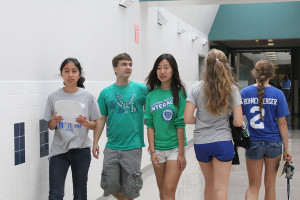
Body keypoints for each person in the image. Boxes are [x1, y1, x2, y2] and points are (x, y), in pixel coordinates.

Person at [184, 49, 243, 200]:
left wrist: (202, 120)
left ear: (206, 65)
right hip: (223, 142)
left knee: (209, 185)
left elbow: (187, 118)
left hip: (202, 143)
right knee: (221, 187)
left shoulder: (196, 88)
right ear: (225, 65)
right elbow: (238, 122)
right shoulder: (232, 89)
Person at [92, 53, 148, 200]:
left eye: (130, 64)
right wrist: (95, 142)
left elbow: (152, 111)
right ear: (115, 68)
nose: (128, 67)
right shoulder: (106, 93)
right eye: (124, 64)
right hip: (112, 146)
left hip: (133, 146)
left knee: (131, 188)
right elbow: (101, 119)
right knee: (109, 185)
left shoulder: (141, 89)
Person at [44, 58, 101, 200]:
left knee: (80, 194)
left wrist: (87, 124)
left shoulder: (87, 96)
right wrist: (54, 121)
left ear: (79, 74)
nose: (70, 75)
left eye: (74, 71)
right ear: (61, 74)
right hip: (59, 151)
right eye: (67, 71)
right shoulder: (53, 97)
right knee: (55, 194)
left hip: (81, 150)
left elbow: (96, 123)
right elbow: (50, 126)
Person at [241, 60, 292, 200]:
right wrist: (287, 149)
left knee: (253, 187)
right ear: (271, 74)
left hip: (253, 142)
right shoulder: (278, 94)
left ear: (254, 73)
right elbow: (282, 124)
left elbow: (238, 121)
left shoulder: (244, 92)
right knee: (270, 186)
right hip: (274, 144)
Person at [145, 54, 187, 200]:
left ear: (173, 70)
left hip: (175, 148)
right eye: (159, 68)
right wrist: (152, 151)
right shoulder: (151, 96)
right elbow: (149, 125)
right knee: (162, 191)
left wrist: (181, 153)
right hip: (158, 150)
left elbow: (180, 124)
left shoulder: (180, 93)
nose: (162, 71)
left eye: (166, 68)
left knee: (169, 189)